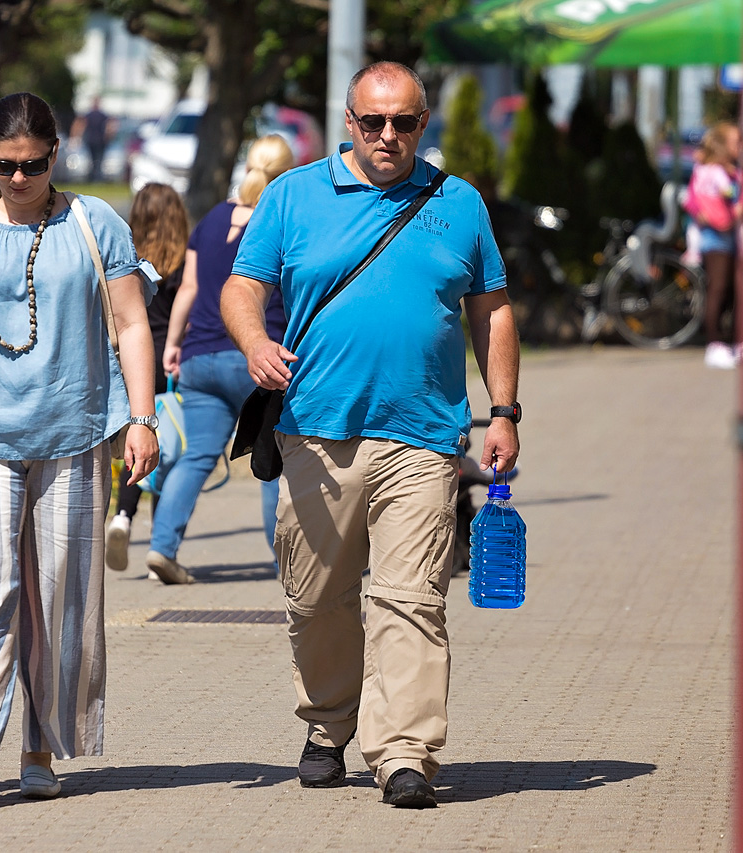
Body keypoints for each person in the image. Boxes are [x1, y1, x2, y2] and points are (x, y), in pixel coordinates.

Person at [221, 61, 520, 808]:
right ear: (349, 122)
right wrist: (255, 343)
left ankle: (405, 752)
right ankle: (327, 724)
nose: (389, 136)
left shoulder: (459, 204)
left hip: (424, 435)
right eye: (374, 121)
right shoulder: (294, 195)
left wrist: (505, 410)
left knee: (411, 597)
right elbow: (242, 285)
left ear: (424, 125)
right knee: (316, 597)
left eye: (406, 122)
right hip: (316, 434)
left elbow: (492, 312)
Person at [0, 92, 159, 803]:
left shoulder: (93, 223)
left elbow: (132, 324)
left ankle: (39, 747)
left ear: (55, 155)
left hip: (74, 430)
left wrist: (142, 417)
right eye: (1, 165)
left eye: (29, 165)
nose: (16, 179)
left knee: (57, 598)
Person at [140, 135, 295, 585]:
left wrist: (173, 345)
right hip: (257, 360)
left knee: (196, 458)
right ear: (285, 175)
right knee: (270, 463)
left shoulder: (210, 221)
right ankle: (284, 564)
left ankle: (161, 549)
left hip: (199, 358)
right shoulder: (279, 223)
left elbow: (187, 290)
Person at [106, 182, 189, 573]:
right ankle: (162, 537)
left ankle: (122, 517)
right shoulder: (183, 263)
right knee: (166, 448)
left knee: (136, 447)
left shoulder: (130, 260)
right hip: (171, 364)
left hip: (134, 362)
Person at [684, 122, 743, 369]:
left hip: (719, 236)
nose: (739, 147)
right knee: (718, 288)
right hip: (717, 237)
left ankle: (726, 343)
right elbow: (729, 195)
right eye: (736, 142)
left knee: (729, 289)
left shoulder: (703, 171)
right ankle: (715, 344)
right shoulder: (719, 174)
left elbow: (690, 200)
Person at [74, 97, 113, 183]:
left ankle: (93, 177)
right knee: (98, 160)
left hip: (91, 140)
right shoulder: (103, 115)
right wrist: (108, 138)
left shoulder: (88, 115)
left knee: (92, 160)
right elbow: (109, 128)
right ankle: (97, 177)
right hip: (100, 141)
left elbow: (81, 125)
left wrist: (78, 137)